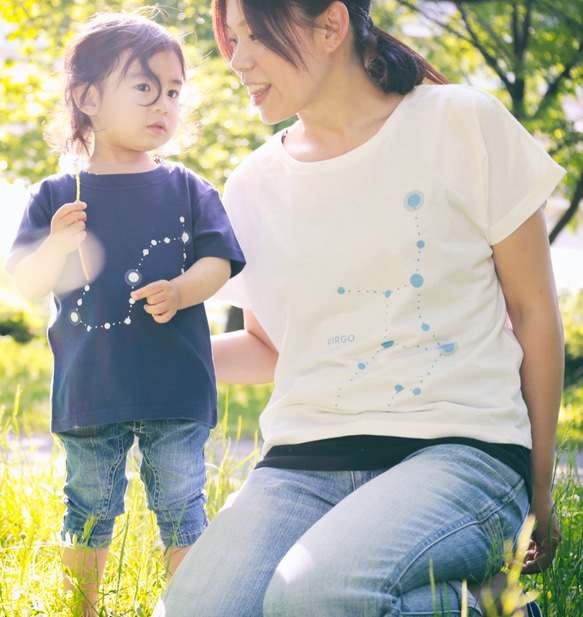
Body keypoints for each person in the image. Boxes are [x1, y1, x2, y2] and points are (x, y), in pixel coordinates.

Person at [154, 0, 565, 616]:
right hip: (303, 462)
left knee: (314, 595)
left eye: (255, 36)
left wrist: (537, 490)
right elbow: (271, 347)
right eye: (230, 39)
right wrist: (152, 357)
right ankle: (453, 602)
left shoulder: (462, 122)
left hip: (463, 449)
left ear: (330, 25)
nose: (237, 60)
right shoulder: (249, 186)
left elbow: (534, 311)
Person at [5, 11, 245, 617]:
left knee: (183, 503)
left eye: (172, 91)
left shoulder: (187, 187)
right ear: (87, 98)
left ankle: (191, 607)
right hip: (93, 386)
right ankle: (82, 607)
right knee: (88, 506)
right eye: (144, 87)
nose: (162, 104)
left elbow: (221, 259)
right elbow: (25, 282)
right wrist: (58, 246)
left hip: (175, 384)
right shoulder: (59, 194)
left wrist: (185, 291)